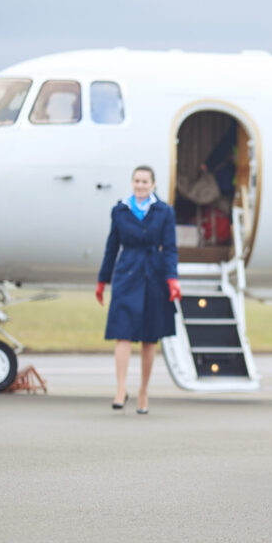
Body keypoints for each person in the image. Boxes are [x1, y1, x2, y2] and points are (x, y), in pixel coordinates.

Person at [96, 165, 182, 414]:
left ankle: (144, 390)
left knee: (148, 337)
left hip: (153, 275)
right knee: (122, 333)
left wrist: (172, 278)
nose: (141, 185)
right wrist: (103, 280)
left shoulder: (164, 211)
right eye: (137, 181)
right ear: (132, 183)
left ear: (153, 184)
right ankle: (121, 388)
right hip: (127, 273)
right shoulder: (120, 210)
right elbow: (111, 247)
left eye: (145, 181)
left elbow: (171, 247)